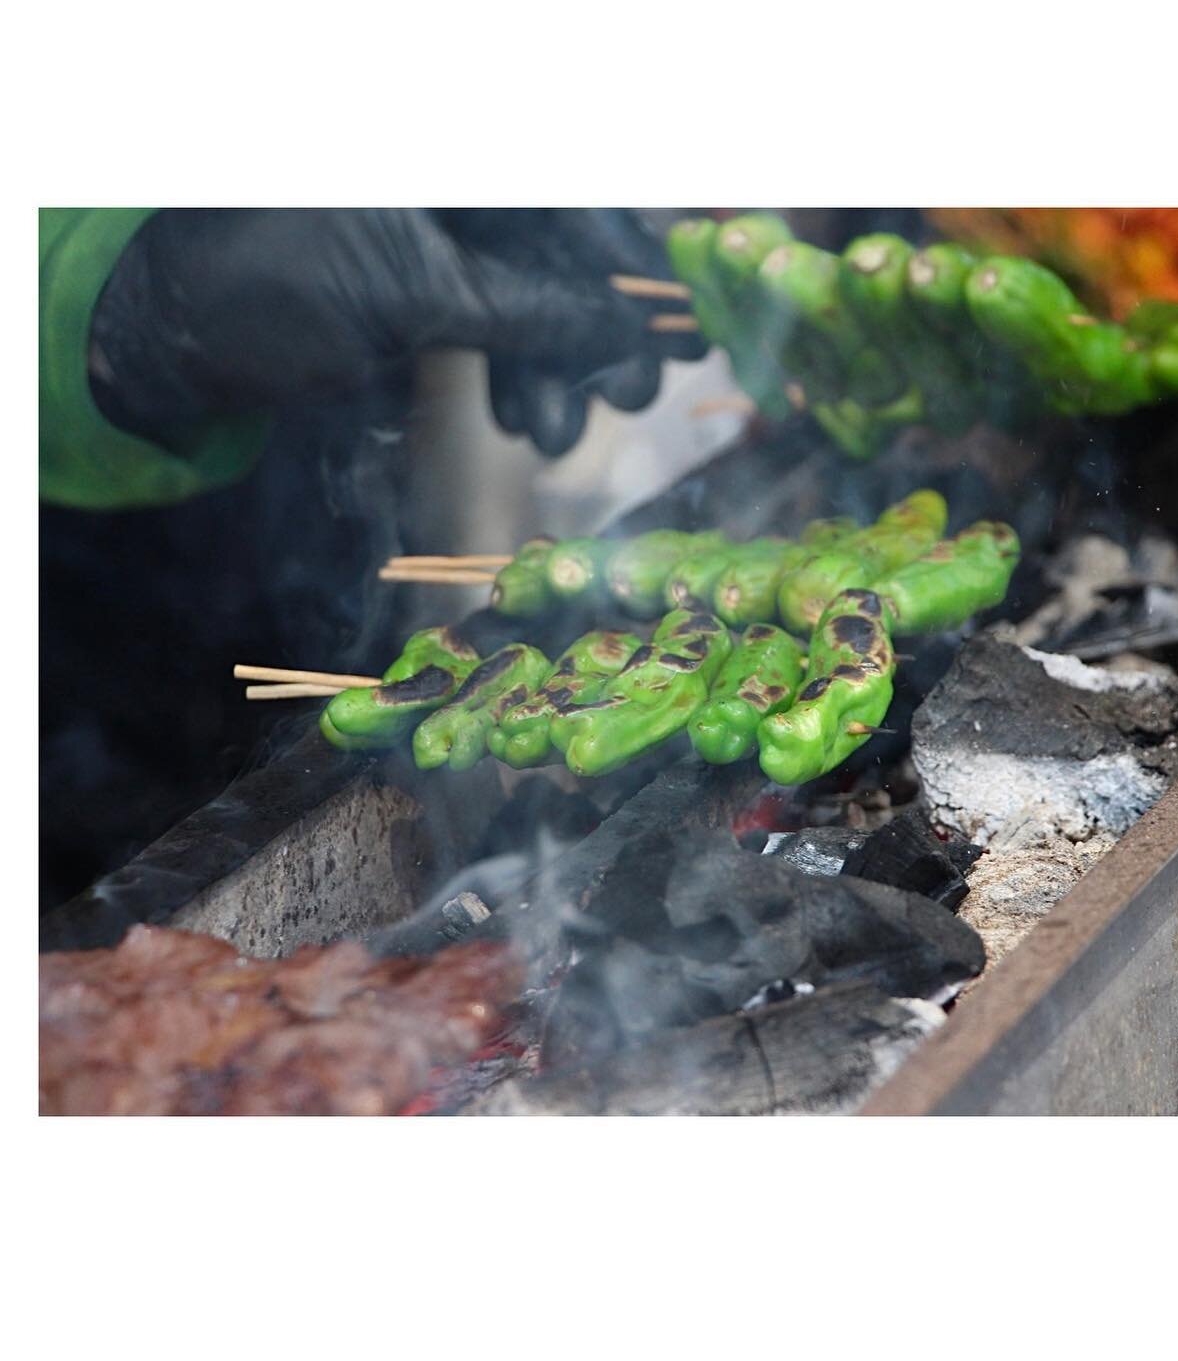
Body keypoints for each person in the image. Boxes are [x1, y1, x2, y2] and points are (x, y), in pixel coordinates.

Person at [39, 208, 704, 908]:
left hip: (327, 425)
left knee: (367, 742)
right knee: (122, 889)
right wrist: (96, 287)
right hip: (89, 568)